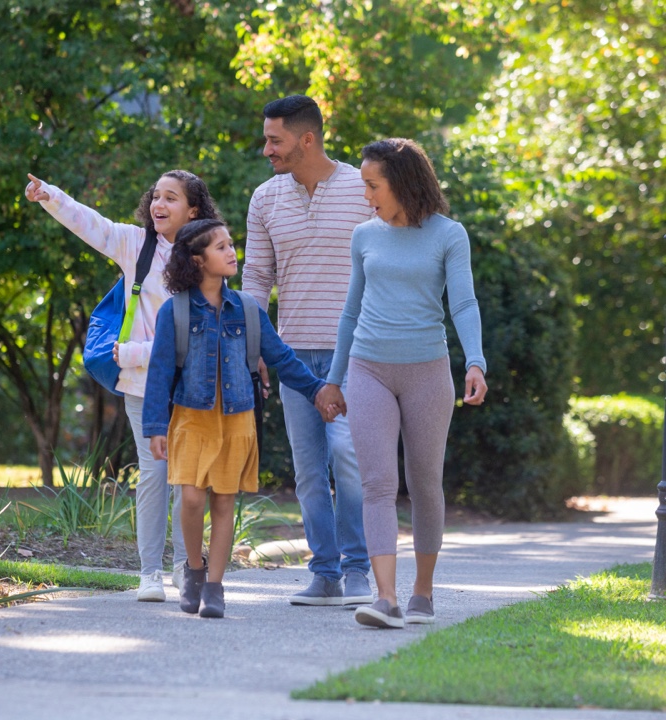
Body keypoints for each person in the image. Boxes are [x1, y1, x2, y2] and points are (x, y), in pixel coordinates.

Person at [25, 170, 221, 602]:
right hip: (145, 387)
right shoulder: (137, 245)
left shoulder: (206, 254)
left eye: (171, 197)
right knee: (154, 474)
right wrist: (50, 195)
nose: (159, 204)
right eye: (156, 195)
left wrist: (134, 353)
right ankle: (150, 573)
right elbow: (90, 223)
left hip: (190, 385)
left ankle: (182, 566)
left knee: (186, 480)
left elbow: (204, 333)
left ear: (193, 209)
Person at [316, 138, 488, 629]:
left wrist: (474, 361)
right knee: (376, 483)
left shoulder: (449, 235)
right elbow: (350, 312)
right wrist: (334, 379)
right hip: (368, 368)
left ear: (403, 182)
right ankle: (385, 598)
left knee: (424, 483)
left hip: (427, 372)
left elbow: (464, 304)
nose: (367, 195)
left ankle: (422, 592)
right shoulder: (364, 236)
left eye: (373, 185)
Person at [142, 219, 331, 619]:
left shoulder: (247, 309)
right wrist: (155, 426)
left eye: (232, 244)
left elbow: (281, 357)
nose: (232, 252)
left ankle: (215, 586)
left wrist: (317, 391)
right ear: (198, 260)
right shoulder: (173, 312)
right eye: (222, 247)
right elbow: (159, 373)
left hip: (237, 418)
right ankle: (194, 569)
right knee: (191, 499)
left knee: (224, 502)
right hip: (191, 418)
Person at [242, 95, 374, 607]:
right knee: (309, 470)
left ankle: (359, 567)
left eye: (275, 139)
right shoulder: (265, 198)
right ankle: (325, 573)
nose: (266, 149)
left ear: (307, 139)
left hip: (354, 354)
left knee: (349, 457)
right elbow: (256, 276)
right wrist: (254, 342)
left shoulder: (361, 189)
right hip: (292, 356)